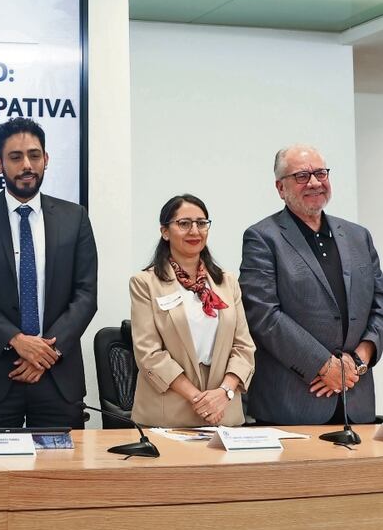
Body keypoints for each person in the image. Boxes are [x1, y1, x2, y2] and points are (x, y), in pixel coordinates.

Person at [0, 117, 97, 430]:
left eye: (34, 155)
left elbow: (86, 294)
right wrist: (17, 341)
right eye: (16, 157)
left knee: (63, 474)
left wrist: (47, 351)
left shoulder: (74, 217)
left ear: (46, 159)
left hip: (57, 373)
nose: (27, 164)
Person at [240, 144, 383, 425]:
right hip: (292, 404)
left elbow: (380, 304)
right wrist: (323, 365)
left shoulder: (358, 236)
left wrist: (358, 360)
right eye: (302, 176)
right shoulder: (262, 238)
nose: (315, 182)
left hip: (356, 399)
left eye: (320, 173)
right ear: (281, 188)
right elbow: (263, 314)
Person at [129, 195, 255, 427]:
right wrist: (199, 400)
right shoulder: (145, 282)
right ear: (165, 231)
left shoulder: (227, 282)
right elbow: (149, 353)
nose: (194, 230)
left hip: (223, 410)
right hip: (169, 412)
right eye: (184, 223)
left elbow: (243, 347)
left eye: (201, 223)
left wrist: (224, 393)